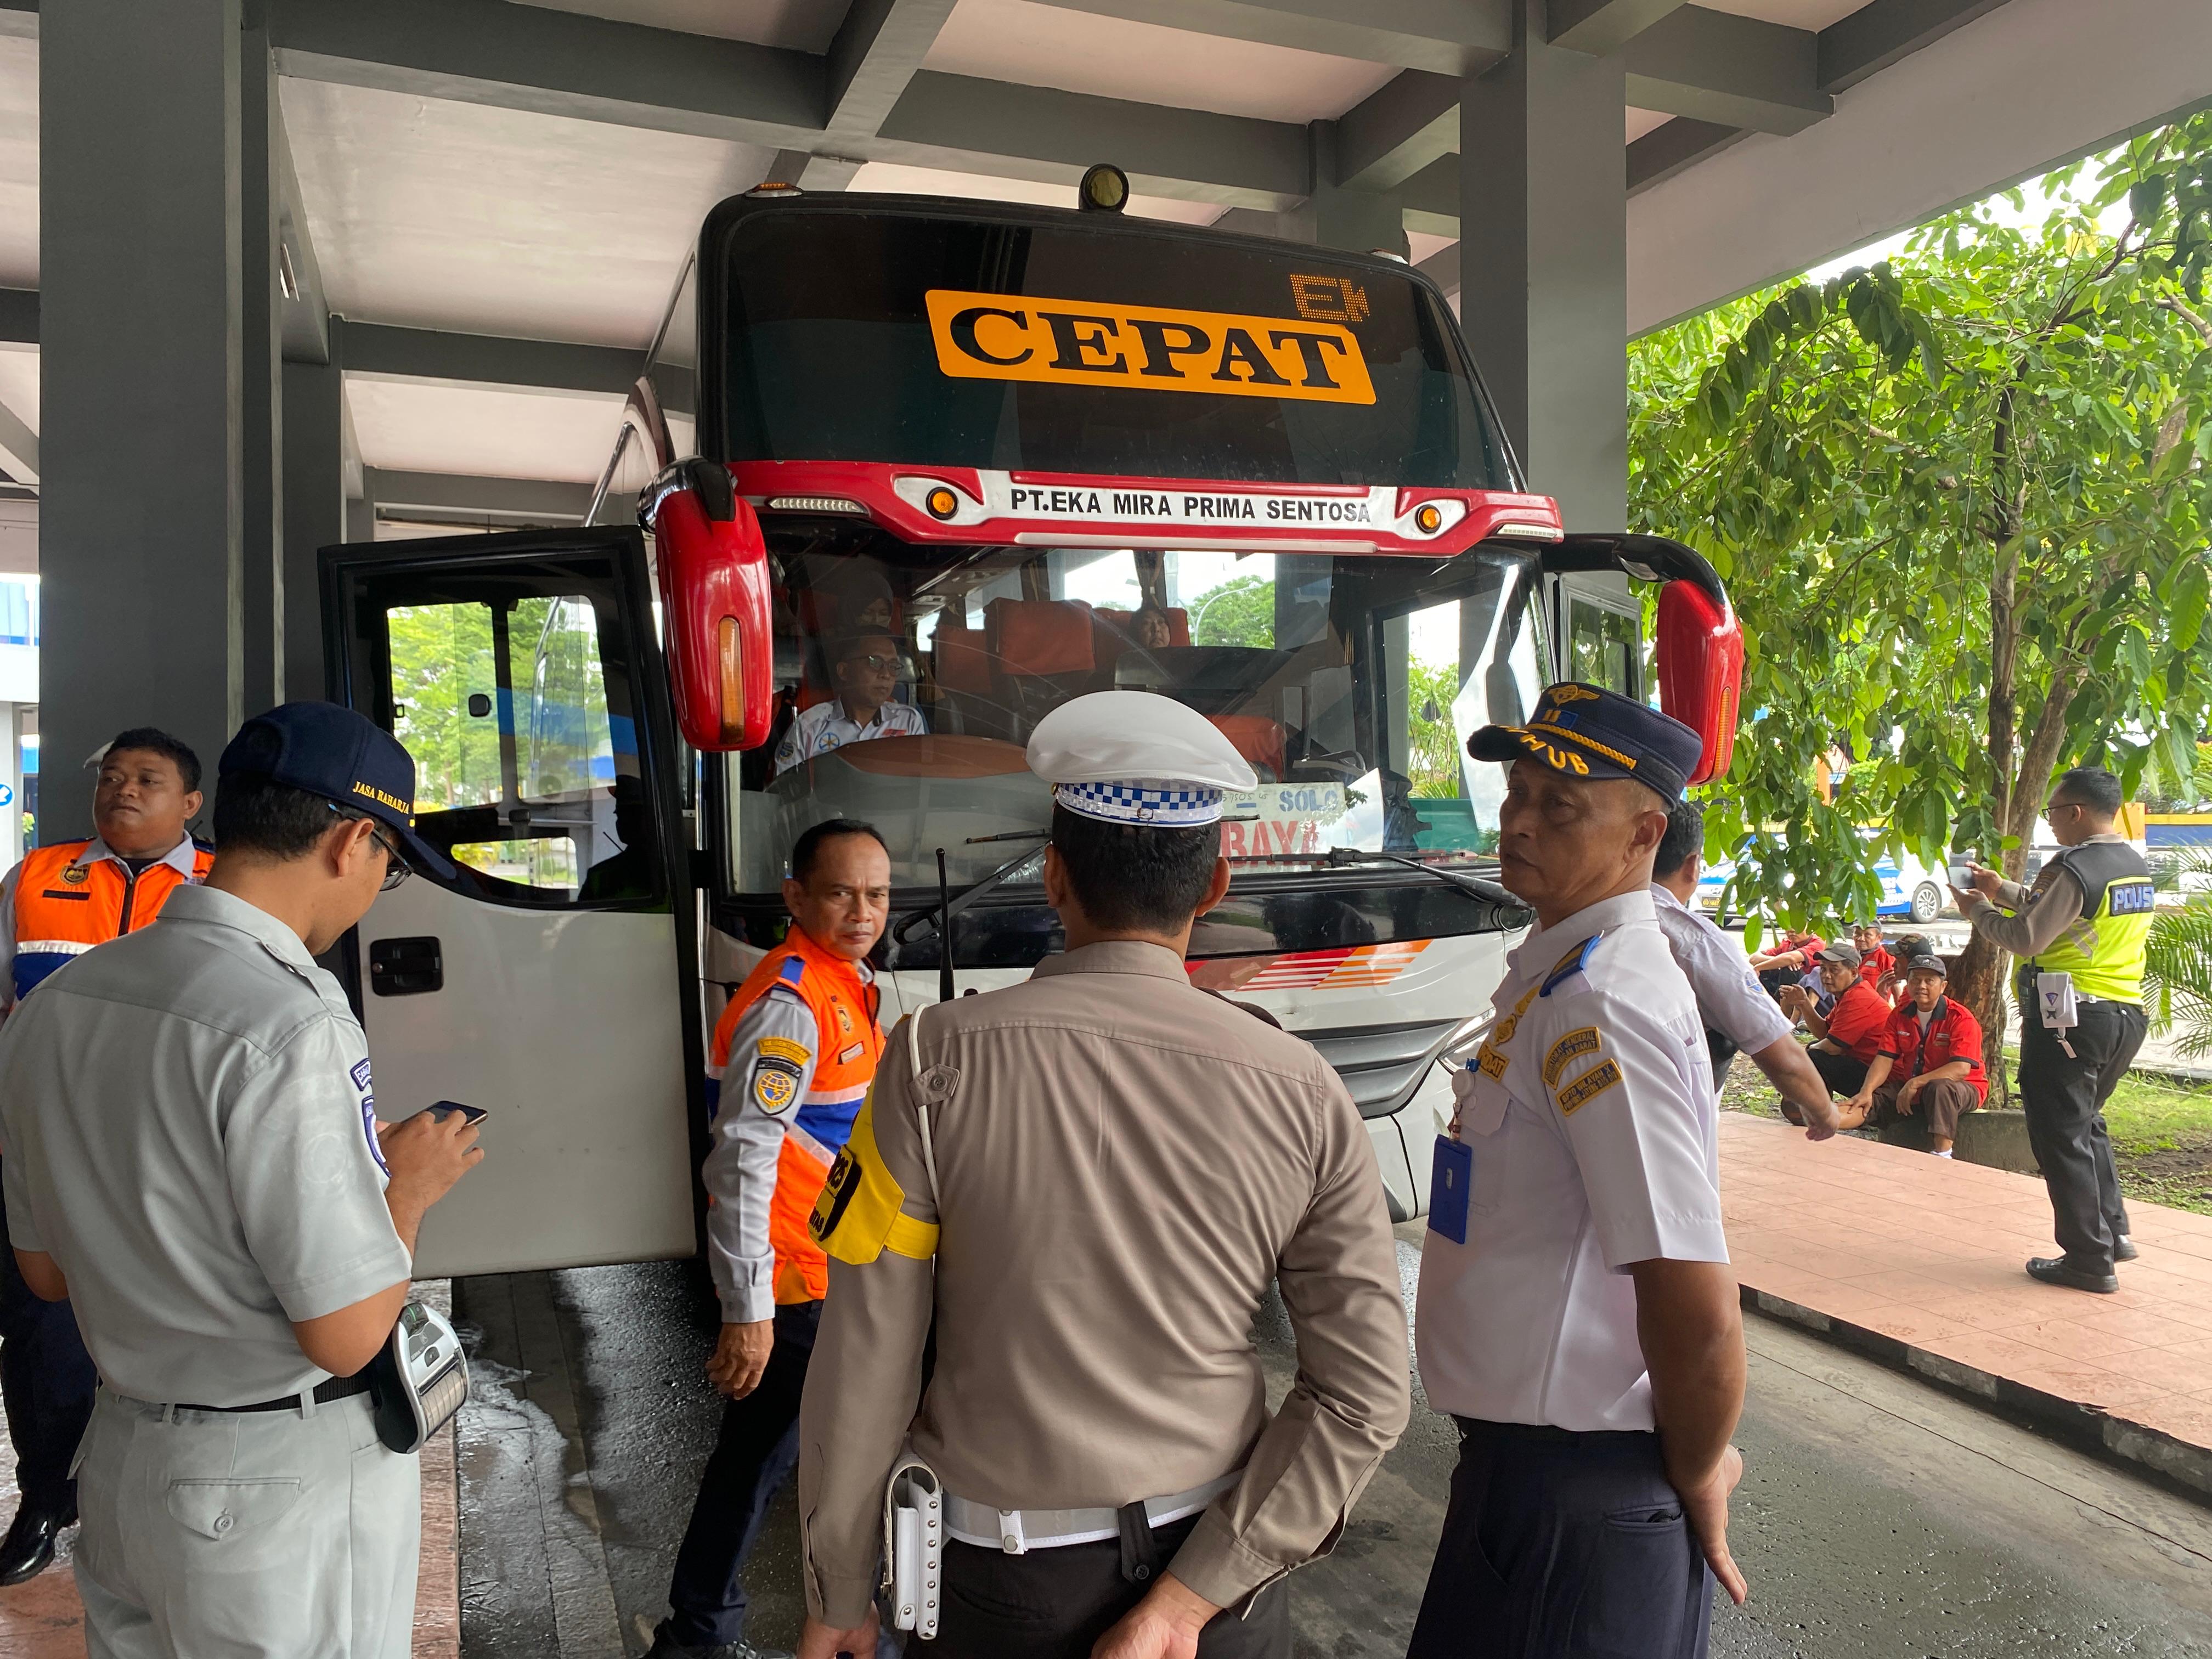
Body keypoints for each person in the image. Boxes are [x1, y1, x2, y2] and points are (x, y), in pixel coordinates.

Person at [794, 691, 1409, 1659]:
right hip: (1216, 1601)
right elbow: (1365, 1391)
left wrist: (838, 1586)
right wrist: (1185, 1600)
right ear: (1213, 885)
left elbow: (864, 1358)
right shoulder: (1303, 1088)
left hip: (998, 1587)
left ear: (1051, 875)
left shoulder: (928, 1061)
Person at [0, 701, 481, 1656]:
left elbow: (46, 1272)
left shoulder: (56, 1004)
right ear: (353, 838)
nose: (375, 886)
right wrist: (407, 1190)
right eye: (389, 864)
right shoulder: (293, 1017)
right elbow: (346, 1333)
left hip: (126, 1460)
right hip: (272, 1491)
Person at [1411, 682, 1746, 1659]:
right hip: (1531, 1482)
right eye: (1514, 793)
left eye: (1557, 806)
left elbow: (1692, 1298)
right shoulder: (1563, 973)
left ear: (1645, 831)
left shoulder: (1604, 1003)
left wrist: (1697, 1469)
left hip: (1578, 1500)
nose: (1517, 822)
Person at [648, 820, 893, 1659]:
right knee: (768, 1464)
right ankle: (704, 1633)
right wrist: (747, 1307)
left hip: (833, 1269)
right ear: (796, 897)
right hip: (794, 1281)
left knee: (770, 1461)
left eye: (877, 894)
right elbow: (745, 1156)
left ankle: (704, 1631)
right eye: (840, 893)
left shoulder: (844, 982)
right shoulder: (792, 1004)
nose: (863, 911)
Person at [0, 726, 213, 1584]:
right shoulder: (37, 877)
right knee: (41, 1332)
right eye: (113, 778)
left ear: (190, 804)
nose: (123, 789)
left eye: (147, 779)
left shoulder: (220, 886)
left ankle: (166, 1507)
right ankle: (48, 1498)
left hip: (168, 1160)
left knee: (173, 1329)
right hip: (42, 1149)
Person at [1954, 766, 2152, 1294]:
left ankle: (2088, 1259)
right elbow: (2074, 917)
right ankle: (2114, 1232)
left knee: (2060, 1134)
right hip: (2122, 1015)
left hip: (2070, 1017)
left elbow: (2027, 938)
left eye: (2054, 813)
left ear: (2077, 813)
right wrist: (2005, 889)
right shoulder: (2133, 865)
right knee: (2086, 1123)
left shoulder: (2073, 865)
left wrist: (1978, 909)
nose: (2052, 825)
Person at [1649, 798, 1836, 1136]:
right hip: (1671, 1123)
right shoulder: (1692, 940)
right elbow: (1775, 1047)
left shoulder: (1576, 917)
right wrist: (1824, 1111)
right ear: (1693, 865)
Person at [1836, 953, 1986, 1156]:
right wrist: (1867, 1090)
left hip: (1963, 1087)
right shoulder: (1899, 1014)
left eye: (1929, 981)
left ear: (1943, 987)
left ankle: (1943, 1155)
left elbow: (1961, 1069)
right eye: (1915, 980)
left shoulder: (1961, 1018)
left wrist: (1916, 1084)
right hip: (1911, 1084)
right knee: (1872, 1099)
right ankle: (1821, 1120)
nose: (1921, 985)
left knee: (1939, 1088)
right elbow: (1884, 1058)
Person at [774, 634, 929, 776]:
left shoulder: (908, 721)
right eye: (875, 663)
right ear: (844, 671)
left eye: (893, 667)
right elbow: (786, 790)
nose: (886, 675)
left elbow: (920, 784)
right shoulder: (809, 726)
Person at [1780, 944, 1891, 1102]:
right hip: (1869, 1068)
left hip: (1883, 1079)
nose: (1826, 975)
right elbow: (1825, 1033)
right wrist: (1804, 1003)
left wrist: (1803, 1055)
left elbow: (1832, 1048)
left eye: (1834, 970)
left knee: (1815, 1055)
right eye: (1823, 969)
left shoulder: (1859, 998)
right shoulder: (1850, 994)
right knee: (1815, 1050)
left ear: (1853, 972)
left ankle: (1819, 1111)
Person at [1747, 926, 1824, 1002]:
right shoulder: (1787, 943)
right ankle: (1765, 1001)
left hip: (1809, 989)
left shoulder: (1818, 944)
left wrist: (1758, 967)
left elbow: (1791, 958)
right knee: (1767, 967)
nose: (1791, 930)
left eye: (1798, 924)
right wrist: (1779, 962)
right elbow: (1754, 958)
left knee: (1789, 969)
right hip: (1786, 987)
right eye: (1788, 926)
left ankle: (1778, 1005)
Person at [1852, 922, 1894, 992]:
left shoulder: (1884, 955)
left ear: (1879, 937)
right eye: (1857, 934)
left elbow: (1894, 985)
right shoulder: (1850, 953)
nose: (1861, 939)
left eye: (1867, 935)